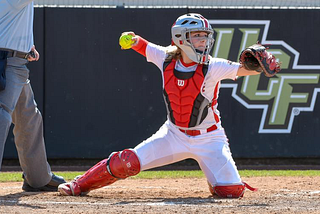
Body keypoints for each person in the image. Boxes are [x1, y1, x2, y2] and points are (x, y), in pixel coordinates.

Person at [58, 13, 278, 198]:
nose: (204, 41)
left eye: (205, 36)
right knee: (126, 162)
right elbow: (143, 46)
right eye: (197, 36)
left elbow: (244, 69)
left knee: (230, 190)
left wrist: (261, 65)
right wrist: (132, 40)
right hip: (173, 135)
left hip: (210, 138)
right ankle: (79, 184)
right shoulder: (165, 58)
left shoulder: (214, 66)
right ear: (180, 38)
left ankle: (216, 178)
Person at [0, 0, 65, 191]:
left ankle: (38, 178)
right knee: (2, 114)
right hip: (8, 63)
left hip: (15, 60)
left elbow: (10, 21)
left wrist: (25, 44)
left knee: (29, 117)